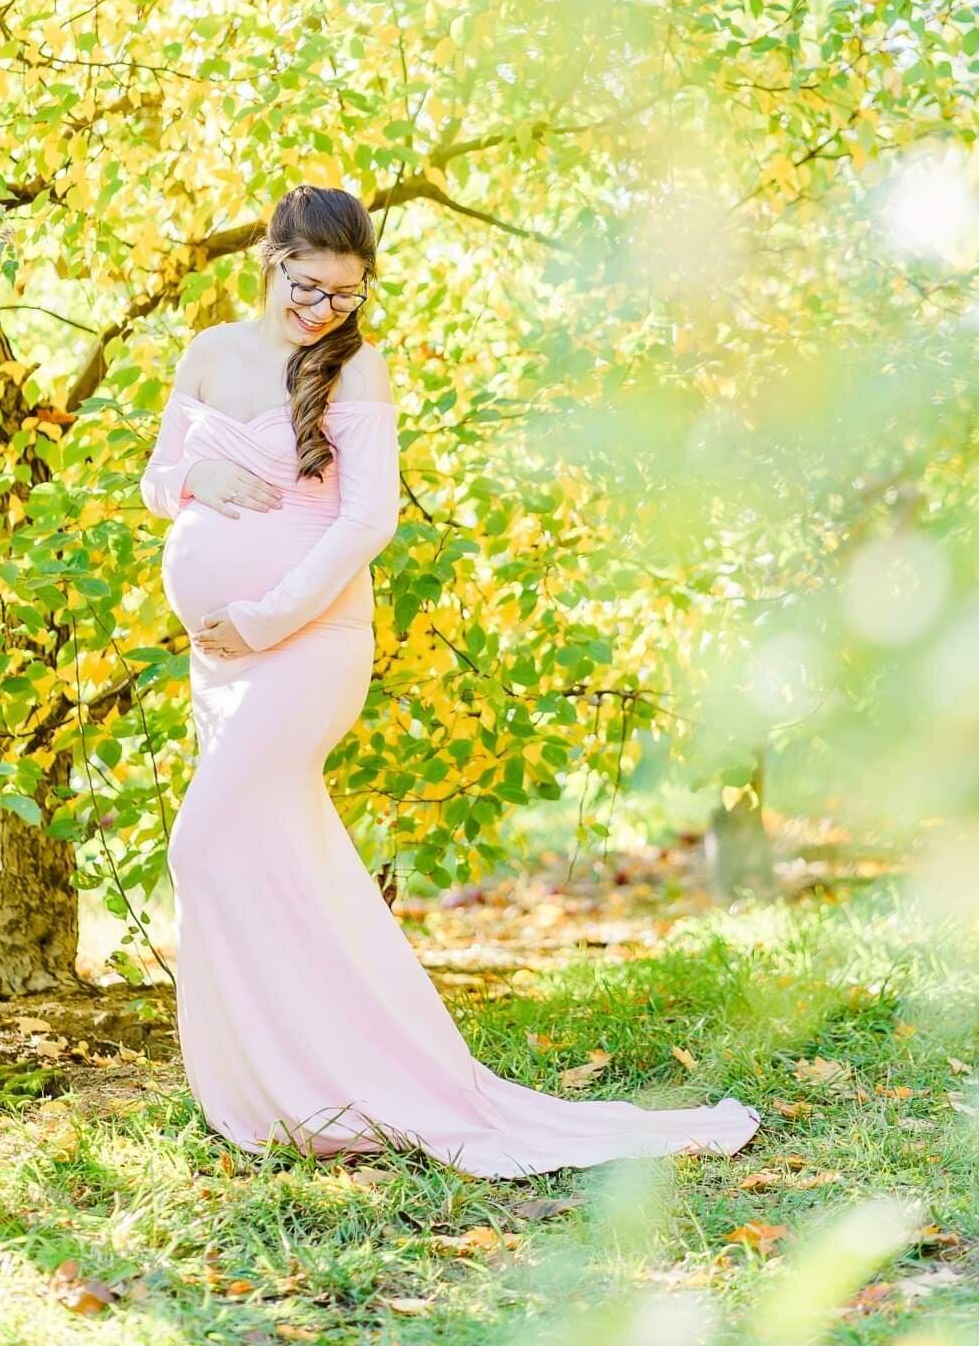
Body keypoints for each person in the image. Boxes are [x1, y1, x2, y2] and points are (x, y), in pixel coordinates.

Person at [140, 182, 762, 1178]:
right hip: (223, 665)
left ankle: (323, 1077)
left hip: (308, 644)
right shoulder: (210, 352)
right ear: (269, 259)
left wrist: (258, 619)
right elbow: (158, 476)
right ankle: (297, 1083)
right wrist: (189, 485)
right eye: (308, 287)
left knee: (203, 839)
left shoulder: (358, 367)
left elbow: (366, 520)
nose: (324, 312)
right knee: (275, 858)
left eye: (347, 296)